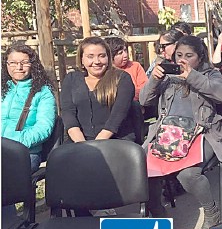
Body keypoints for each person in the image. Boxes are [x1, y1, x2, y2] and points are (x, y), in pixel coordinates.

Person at [140, 35, 222, 229]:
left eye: (189, 56)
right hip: (168, 133)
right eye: (179, 55)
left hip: (202, 134)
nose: (183, 60)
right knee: (142, 170)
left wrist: (191, 76)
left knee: (188, 174)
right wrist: (154, 79)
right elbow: (144, 100)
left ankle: (212, 212)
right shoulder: (167, 76)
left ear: (199, 58)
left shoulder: (210, 74)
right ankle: (158, 213)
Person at [60, 37, 135, 143]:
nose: (97, 61)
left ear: (108, 58)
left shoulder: (122, 79)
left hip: (115, 141)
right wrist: (82, 144)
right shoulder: (71, 79)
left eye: (102, 56)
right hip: (78, 142)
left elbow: (117, 116)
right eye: (90, 57)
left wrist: (96, 146)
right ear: (81, 59)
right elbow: (68, 113)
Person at [1, 44, 56, 172]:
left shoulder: (43, 92)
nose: (19, 67)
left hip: (24, 152)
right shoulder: (3, 87)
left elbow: (44, 127)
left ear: (33, 64)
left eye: (24, 63)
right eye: (13, 63)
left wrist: (16, 143)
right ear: (6, 65)